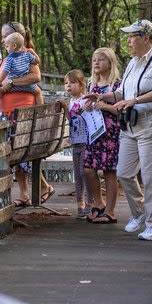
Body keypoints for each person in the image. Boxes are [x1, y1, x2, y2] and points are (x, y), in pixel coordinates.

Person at [84, 19, 152, 241]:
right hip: (130, 126)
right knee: (123, 172)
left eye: (132, 36)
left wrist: (135, 100)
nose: (128, 41)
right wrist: (102, 96)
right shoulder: (133, 63)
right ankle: (140, 213)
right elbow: (121, 93)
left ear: (145, 38)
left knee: (151, 178)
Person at [0, 21, 53, 207]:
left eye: (5, 35)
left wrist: (12, 80)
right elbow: (4, 88)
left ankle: (44, 186)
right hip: (7, 113)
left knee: (22, 153)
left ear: (16, 37)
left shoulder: (26, 55)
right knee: (14, 155)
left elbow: (35, 78)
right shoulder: (10, 56)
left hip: (23, 112)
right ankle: (24, 194)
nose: (2, 39)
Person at [83, 48, 122, 224]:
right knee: (88, 169)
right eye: (94, 60)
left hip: (111, 133)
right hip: (94, 132)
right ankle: (98, 202)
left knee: (109, 171)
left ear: (110, 63)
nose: (97, 63)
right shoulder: (91, 84)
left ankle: (110, 211)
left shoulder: (117, 85)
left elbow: (122, 110)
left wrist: (105, 106)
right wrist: (86, 106)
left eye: (101, 60)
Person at [59, 70, 92, 219]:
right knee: (77, 175)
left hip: (86, 141)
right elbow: (71, 120)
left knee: (85, 173)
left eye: (72, 83)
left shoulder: (85, 100)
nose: (68, 86)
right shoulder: (71, 101)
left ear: (81, 84)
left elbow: (90, 117)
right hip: (75, 142)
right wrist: (66, 107)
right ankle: (80, 204)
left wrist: (85, 110)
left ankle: (91, 203)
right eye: (66, 83)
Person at [0, 32, 41, 111]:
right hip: (28, 86)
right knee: (38, 92)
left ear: (14, 46)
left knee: (0, 91)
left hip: (13, 86)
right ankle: (41, 109)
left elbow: (5, 72)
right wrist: (33, 53)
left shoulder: (10, 59)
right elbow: (36, 61)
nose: (6, 48)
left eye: (7, 46)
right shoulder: (27, 55)